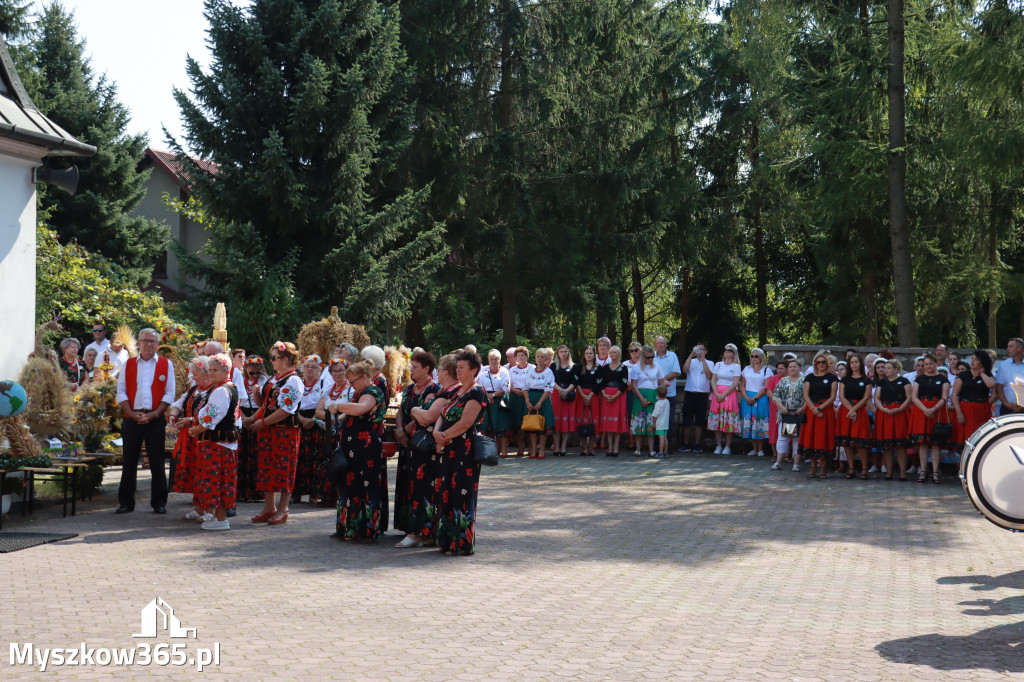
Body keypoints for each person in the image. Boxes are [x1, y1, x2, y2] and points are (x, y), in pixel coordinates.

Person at [432, 350, 487, 556]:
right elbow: (443, 413)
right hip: (448, 448)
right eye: (457, 367)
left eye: (462, 367)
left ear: (473, 370)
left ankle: (461, 543)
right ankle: (447, 541)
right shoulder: (457, 392)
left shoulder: (476, 392)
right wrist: (437, 433)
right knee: (446, 491)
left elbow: (466, 423)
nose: (458, 370)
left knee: (461, 493)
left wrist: (442, 436)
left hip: (464, 449)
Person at [115, 328, 175, 514]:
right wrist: (131, 413)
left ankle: (159, 503)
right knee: (129, 461)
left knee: (157, 462)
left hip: (155, 418)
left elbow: (169, 393)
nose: (149, 344)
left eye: (153, 341)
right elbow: (121, 391)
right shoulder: (129, 363)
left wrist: (155, 414)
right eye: (145, 341)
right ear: (139, 343)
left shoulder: (167, 364)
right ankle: (126, 503)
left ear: (158, 344)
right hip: (132, 418)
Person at [246, 341, 303, 525]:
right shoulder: (275, 378)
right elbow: (266, 404)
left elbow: (286, 409)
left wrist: (262, 422)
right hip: (269, 431)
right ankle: (269, 507)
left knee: (284, 467)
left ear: (285, 359)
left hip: (284, 431)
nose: (271, 361)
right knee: (266, 467)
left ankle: (283, 508)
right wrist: (253, 418)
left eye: (274, 358)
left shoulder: (293, 380)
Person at [333, 360, 388, 541]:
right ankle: (349, 528)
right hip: (353, 446)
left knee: (365, 484)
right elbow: (347, 414)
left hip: (365, 447)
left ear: (364, 377)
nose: (351, 385)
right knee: (351, 484)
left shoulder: (372, 391)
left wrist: (338, 405)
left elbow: (360, 409)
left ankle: (365, 530)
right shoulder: (360, 392)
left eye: (353, 381)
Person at [186, 354, 239, 530]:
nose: (212, 373)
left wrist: (196, 430)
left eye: (216, 370)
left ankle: (221, 519)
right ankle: (218, 517)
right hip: (221, 443)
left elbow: (211, 418)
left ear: (226, 370)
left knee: (217, 480)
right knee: (218, 480)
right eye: (211, 370)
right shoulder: (226, 388)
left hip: (218, 444)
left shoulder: (222, 390)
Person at [393, 351, 440, 547]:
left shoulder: (433, 390)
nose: (411, 370)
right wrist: (397, 429)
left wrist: (404, 430)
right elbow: (401, 411)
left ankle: (420, 529)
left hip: (421, 444)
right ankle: (408, 525)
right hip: (406, 443)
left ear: (426, 369)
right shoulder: (410, 389)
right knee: (406, 483)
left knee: (420, 486)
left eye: (415, 367)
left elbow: (422, 417)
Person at [167, 357, 210, 521]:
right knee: (196, 474)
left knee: (206, 473)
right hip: (192, 437)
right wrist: (174, 413)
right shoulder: (195, 389)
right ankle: (200, 508)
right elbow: (181, 401)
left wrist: (190, 420)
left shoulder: (213, 390)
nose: (192, 378)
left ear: (205, 374)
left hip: (205, 437)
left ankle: (209, 510)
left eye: (195, 374)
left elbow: (209, 413)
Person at [314, 359, 353, 509]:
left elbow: (348, 411)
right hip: (327, 432)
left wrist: (333, 419)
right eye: (334, 371)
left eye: (341, 370)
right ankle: (326, 496)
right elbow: (317, 411)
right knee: (326, 462)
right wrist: (332, 417)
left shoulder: (350, 390)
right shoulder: (328, 389)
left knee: (340, 462)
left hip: (341, 432)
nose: (338, 374)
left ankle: (339, 496)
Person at [909, 353, 951, 484]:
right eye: (925, 364)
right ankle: (923, 470)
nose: (928, 366)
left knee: (935, 443)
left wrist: (933, 409)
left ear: (935, 364)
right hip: (921, 411)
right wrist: (924, 409)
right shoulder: (919, 379)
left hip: (937, 412)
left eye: (930, 364)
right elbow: (914, 396)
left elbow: (944, 397)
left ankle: (935, 471)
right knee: (923, 442)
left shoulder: (943, 379)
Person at [293, 355, 327, 503]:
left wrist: (313, 419)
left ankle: (315, 493)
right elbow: (292, 404)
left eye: (313, 367)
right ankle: (296, 493)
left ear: (320, 369)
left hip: (316, 422)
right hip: (299, 419)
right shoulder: (298, 383)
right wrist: (301, 419)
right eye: (307, 366)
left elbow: (323, 405)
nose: (310, 370)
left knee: (315, 458)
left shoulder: (323, 385)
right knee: (298, 457)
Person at [801, 350, 838, 479]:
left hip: (825, 411)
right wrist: (813, 408)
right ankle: (813, 466)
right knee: (810, 438)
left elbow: (833, 396)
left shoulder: (832, 378)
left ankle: (823, 468)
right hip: (811, 411)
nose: (821, 364)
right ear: (815, 364)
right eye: (818, 362)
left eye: (823, 362)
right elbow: (805, 394)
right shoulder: (809, 377)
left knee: (824, 439)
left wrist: (820, 408)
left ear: (827, 363)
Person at [873, 359, 912, 480]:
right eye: (885, 368)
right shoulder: (882, 382)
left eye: (889, 368)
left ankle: (902, 472)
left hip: (900, 413)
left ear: (896, 369)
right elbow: (876, 398)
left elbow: (909, 397)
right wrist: (883, 409)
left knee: (900, 444)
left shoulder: (904, 381)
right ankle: (889, 471)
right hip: (885, 414)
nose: (886, 370)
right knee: (887, 444)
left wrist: (900, 408)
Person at [836, 354, 873, 479]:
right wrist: (851, 410)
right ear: (849, 365)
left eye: (856, 362)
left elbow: (866, 397)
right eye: (852, 362)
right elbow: (841, 397)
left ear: (860, 363)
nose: (854, 364)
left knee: (861, 441)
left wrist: (855, 409)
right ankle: (851, 467)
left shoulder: (866, 380)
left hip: (860, 411)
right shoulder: (844, 380)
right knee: (847, 441)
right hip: (846, 411)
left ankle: (864, 468)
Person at [951, 350, 996, 449]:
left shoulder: (988, 375)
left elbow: (991, 385)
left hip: (982, 410)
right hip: (965, 409)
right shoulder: (963, 375)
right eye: (972, 359)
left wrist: (982, 373)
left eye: (976, 359)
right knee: (965, 440)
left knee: (981, 439)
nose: (972, 361)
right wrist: (959, 413)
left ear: (982, 362)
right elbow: (954, 395)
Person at [237, 355, 267, 504]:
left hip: (256, 414)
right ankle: (241, 491)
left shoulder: (263, 381)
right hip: (242, 413)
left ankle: (256, 492)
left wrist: (252, 418)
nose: (255, 375)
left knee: (256, 455)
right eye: (251, 373)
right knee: (242, 454)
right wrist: (243, 417)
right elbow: (236, 401)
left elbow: (264, 403)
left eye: (257, 373)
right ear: (246, 370)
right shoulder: (240, 381)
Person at [629, 344, 666, 457]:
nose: (650, 359)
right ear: (643, 356)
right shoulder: (636, 367)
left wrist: (665, 385)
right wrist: (641, 398)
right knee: (639, 420)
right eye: (648, 357)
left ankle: (651, 450)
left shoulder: (657, 366)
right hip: (640, 394)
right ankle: (638, 448)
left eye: (652, 357)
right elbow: (634, 385)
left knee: (651, 422)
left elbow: (661, 381)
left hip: (653, 394)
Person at [769, 359, 805, 471]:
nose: (792, 368)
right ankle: (778, 462)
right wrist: (781, 407)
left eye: (795, 366)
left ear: (800, 368)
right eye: (790, 367)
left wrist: (802, 408)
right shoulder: (783, 381)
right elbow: (776, 396)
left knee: (797, 438)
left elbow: (809, 397)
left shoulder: (804, 381)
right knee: (783, 437)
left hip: (798, 414)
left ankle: (796, 464)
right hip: (785, 414)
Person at [708, 344, 742, 454]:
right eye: (725, 350)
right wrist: (717, 393)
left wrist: (725, 394)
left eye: (729, 350)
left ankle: (727, 446)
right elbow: (713, 380)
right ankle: (718, 445)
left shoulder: (736, 366)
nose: (727, 352)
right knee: (717, 418)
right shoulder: (718, 364)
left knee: (728, 419)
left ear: (734, 353)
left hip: (730, 394)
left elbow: (736, 382)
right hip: (717, 393)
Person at [680, 343, 714, 453]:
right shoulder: (691, 361)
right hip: (690, 393)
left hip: (702, 395)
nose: (699, 351)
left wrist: (703, 360)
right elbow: (685, 370)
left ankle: (697, 444)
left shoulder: (710, 363)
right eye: (697, 349)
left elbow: (709, 375)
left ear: (706, 351)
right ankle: (685, 443)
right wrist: (691, 356)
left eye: (701, 349)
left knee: (700, 421)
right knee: (687, 420)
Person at [524, 347, 556, 459]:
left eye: (542, 357)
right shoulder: (530, 371)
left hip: (543, 399)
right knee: (532, 425)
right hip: (530, 398)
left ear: (546, 359)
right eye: (538, 356)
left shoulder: (548, 372)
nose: (540, 359)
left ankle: (542, 449)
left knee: (543, 425)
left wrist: (540, 402)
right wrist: (527, 401)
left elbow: (548, 389)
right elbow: (525, 387)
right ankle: (533, 449)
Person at [739, 348, 772, 456]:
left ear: (761, 358)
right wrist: (746, 397)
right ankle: (754, 448)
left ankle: (761, 449)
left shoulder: (767, 370)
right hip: (747, 397)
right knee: (750, 422)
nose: (753, 358)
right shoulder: (746, 369)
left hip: (760, 398)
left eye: (756, 356)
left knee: (759, 421)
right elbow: (742, 385)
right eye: (752, 356)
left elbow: (766, 386)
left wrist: (755, 398)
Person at [479, 349, 511, 458]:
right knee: (487, 426)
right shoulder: (483, 373)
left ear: (500, 360)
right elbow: (479, 387)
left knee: (501, 426)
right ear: (488, 360)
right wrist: (488, 396)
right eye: (492, 359)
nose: (494, 361)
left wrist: (493, 395)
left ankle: (504, 450)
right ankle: (490, 450)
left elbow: (506, 387)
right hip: (487, 401)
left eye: (496, 359)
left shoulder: (504, 371)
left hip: (500, 400)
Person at [599, 345, 630, 456]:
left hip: (619, 396)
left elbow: (624, 383)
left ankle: (616, 445)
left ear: (619, 354)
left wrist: (616, 395)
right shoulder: (605, 368)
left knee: (617, 422)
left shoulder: (623, 367)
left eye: (615, 352)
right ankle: (610, 446)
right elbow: (601, 382)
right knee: (609, 422)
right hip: (606, 395)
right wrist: (604, 394)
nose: (612, 354)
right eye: (611, 352)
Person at [652, 336, 681, 450]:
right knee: (655, 420)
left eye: (662, 343)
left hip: (669, 394)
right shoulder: (651, 356)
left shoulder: (673, 356)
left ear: (666, 345)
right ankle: (655, 447)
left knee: (669, 421)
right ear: (655, 345)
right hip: (655, 394)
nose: (660, 345)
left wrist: (662, 380)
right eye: (658, 343)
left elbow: (676, 372)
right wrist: (661, 381)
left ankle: (667, 448)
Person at [550, 345, 578, 456]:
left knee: (565, 422)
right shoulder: (553, 365)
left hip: (569, 393)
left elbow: (575, 381)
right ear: (558, 353)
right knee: (556, 421)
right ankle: (556, 445)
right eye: (561, 351)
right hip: (556, 393)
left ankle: (564, 445)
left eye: (566, 351)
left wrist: (566, 391)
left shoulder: (574, 366)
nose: (564, 353)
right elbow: (551, 380)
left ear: (568, 353)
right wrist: (560, 390)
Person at [507, 346, 533, 456]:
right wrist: (515, 391)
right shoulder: (512, 370)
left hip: (528, 398)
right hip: (515, 397)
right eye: (518, 356)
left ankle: (532, 447)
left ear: (527, 356)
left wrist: (526, 392)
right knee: (516, 424)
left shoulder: (532, 368)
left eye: (523, 355)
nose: (521, 357)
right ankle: (520, 446)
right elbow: (508, 384)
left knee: (529, 423)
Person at [576, 345, 602, 456]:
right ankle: (584, 448)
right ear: (584, 355)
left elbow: (599, 383)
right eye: (587, 353)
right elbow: (576, 382)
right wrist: (583, 395)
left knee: (593, 421)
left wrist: (590, 396)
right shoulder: (579, 367)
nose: (589, 355)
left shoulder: (598, 368)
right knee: (583, 421)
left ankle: (591, 448)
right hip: (581, 396)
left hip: (594, 396)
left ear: (594, 355)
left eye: (591, 353)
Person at [995, 337, 1024, 415]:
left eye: (1011, 346)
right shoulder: (1004, 365)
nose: (1007, 349)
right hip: (1007, 409)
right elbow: (999, 387)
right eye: (1008, 346)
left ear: (1019, 348)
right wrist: (1005, 403)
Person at [765, 361, 786, 460]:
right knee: (774, 429)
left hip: (787, 407)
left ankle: (786, 455)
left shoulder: (790, 379)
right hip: (775, 407)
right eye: (778, 368)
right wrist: (778, 402)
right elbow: (769, 392)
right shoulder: (773, 378)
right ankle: (775, 454)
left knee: (787, 429)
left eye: (782, 368)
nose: (779, 370)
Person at [650, 385, 670, 457]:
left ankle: (660, 452)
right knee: (665, 438)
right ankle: (666, 452)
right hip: (665, 423)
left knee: (661, 438)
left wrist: (654, 423)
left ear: (658, 394)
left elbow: (655, 414)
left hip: (660, 424)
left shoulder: (658, 403)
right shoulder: (667, 401)